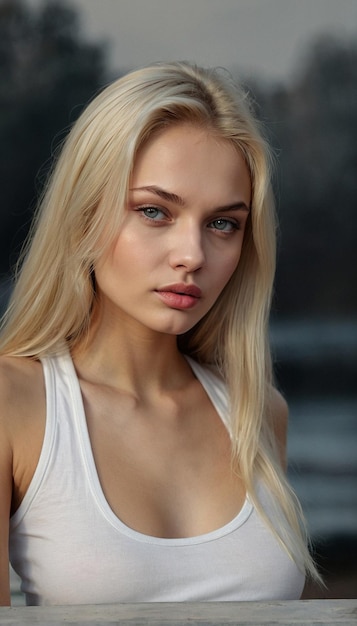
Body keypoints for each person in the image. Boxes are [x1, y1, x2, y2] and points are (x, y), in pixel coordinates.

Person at [0, 61, 320, 606]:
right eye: (154, 211)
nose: (192, 255)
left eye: (224, 223)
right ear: (84, 215)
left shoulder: (258, 413)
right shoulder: (15, 405)